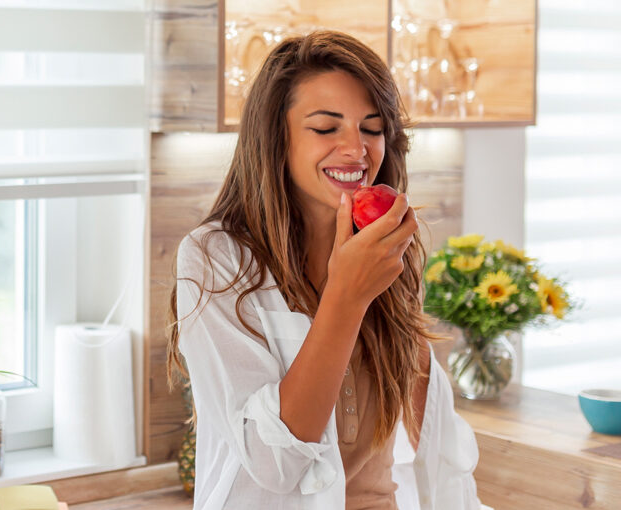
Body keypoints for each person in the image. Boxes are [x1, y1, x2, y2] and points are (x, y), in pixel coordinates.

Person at [167, 31, 482, 510]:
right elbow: (274, 465)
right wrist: (347, 296)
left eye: (372, 128)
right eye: (325, 128)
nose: (356, 149)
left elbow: (433, 435)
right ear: (276, 138)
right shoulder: (215, 260)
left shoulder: (387, 251)